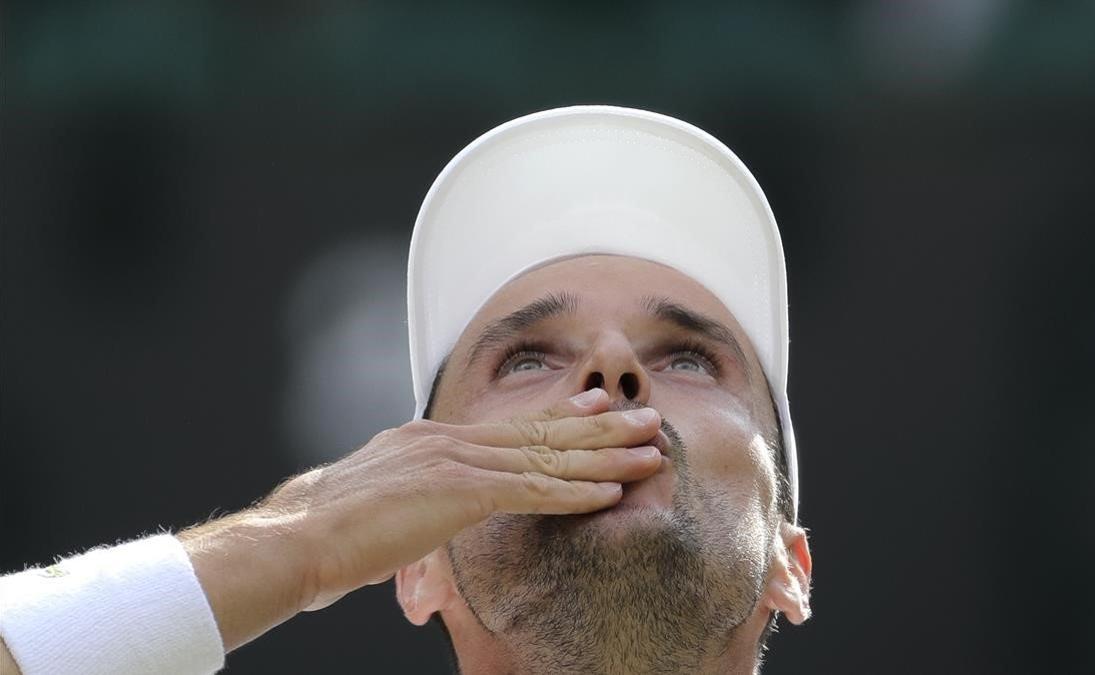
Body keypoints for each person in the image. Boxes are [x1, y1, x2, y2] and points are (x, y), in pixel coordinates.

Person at [0, 106, 813, 674]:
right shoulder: (309, 544)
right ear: (424, 567)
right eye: (528, 359)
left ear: (790, 562)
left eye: (689, 358)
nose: (611, 367)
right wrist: (297, 543)